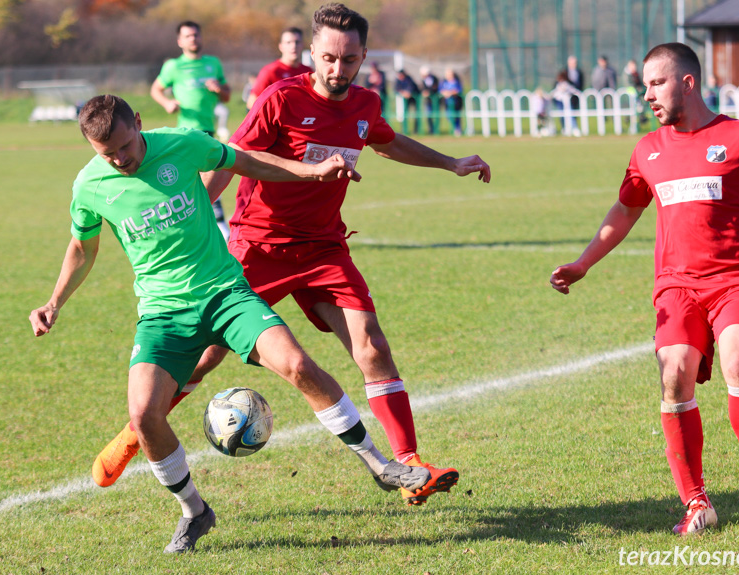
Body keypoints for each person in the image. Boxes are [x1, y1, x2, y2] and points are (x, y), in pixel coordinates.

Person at [96, 2, 490, 507]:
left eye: (349, 60)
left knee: (372, 347)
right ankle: (137, 430)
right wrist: (193, 215)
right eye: (328, 58)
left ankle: (409, 463)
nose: (337, 69)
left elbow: (386, 142)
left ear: (363, 56)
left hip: (324, 247)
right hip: (259, 245)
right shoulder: (280, 99)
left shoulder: (365, 105)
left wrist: (451, 162)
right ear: (312, 53)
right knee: (207, 354)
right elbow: (230, 159)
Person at [30, 94, 438, 553]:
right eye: (108, 154)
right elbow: (83, 248)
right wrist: (54, 302)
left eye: (125, 145)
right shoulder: (89, 186)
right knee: (143, 415)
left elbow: (248, 161)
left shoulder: (183, 143)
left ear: (139, 123)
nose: (121, 159)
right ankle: (194, 512)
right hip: (163, 314)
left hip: (226, 294)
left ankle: (381, 466)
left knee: (299, 366)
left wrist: (311, 170)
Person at [550, 42, 739, 535]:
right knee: (674, 372)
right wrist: (583, 263)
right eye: (645, 88)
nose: (647, 96)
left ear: (687, 82)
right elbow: (627, 209)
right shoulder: (647, 149)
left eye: (656, 84)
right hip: (676, 285)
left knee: (738, 359)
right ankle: (696, 501)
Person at [150, 21, 232, 240]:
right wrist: (167, 103)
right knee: (186, 179)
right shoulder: (173, 67)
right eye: (187, 36)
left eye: (195, 35)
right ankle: (187, 226)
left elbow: (227, 95)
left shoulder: (213, 64)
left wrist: (219, 89)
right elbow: (156, 89)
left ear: (201, 37)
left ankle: (218, 225)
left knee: (211, 177)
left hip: (208, 131)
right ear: (180, 41)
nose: (192, 39)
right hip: (184, 134)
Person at [246, 27, 313, 111]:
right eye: (288, 42)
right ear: (281, 46)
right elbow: (252, 104)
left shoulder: (308, 72)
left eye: (297, 42)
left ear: (302, 45)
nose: (293, 46)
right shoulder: (270, 71)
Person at [393, 68, 420, 134]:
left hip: (414, 99)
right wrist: (403, 93)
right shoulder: (398, 81)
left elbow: (412, 87)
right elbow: (396, 89)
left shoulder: (409, 79)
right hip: (405, 100)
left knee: (416, 114)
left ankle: (416, 130)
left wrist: (409, 93)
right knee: (404, 114)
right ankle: (404, 129)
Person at [439, 67, 464, 136]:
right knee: (449, 117)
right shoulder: (444, 82)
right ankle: (455, 129)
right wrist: (444, 93)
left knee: (456, 116)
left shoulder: (456, 81)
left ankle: (458, 130)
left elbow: (459, 90)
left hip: (456, 102)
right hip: (447, 103)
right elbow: (440, 90)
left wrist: (451, 93)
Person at [419, 65, 439, 135]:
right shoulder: (422, 80)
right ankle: (431, 130)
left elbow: (436, 88)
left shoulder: (435, 79)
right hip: (428, 101)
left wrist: (429, 92)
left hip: (435, 101)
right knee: (428, 115)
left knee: (436, 115)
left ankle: (436, 130)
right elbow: (421, 89)